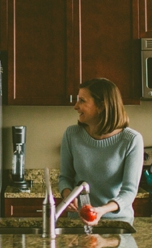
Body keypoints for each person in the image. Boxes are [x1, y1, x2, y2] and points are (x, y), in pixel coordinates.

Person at [58, 78, 143, 225]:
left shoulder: (131, 140)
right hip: (78, 222)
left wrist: (101, 211)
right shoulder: (71, 135)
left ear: (102, 106)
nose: (75, 106)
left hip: (117, 223)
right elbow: (65, 177)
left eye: (82, 101)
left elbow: (129, 191)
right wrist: (68, 196)